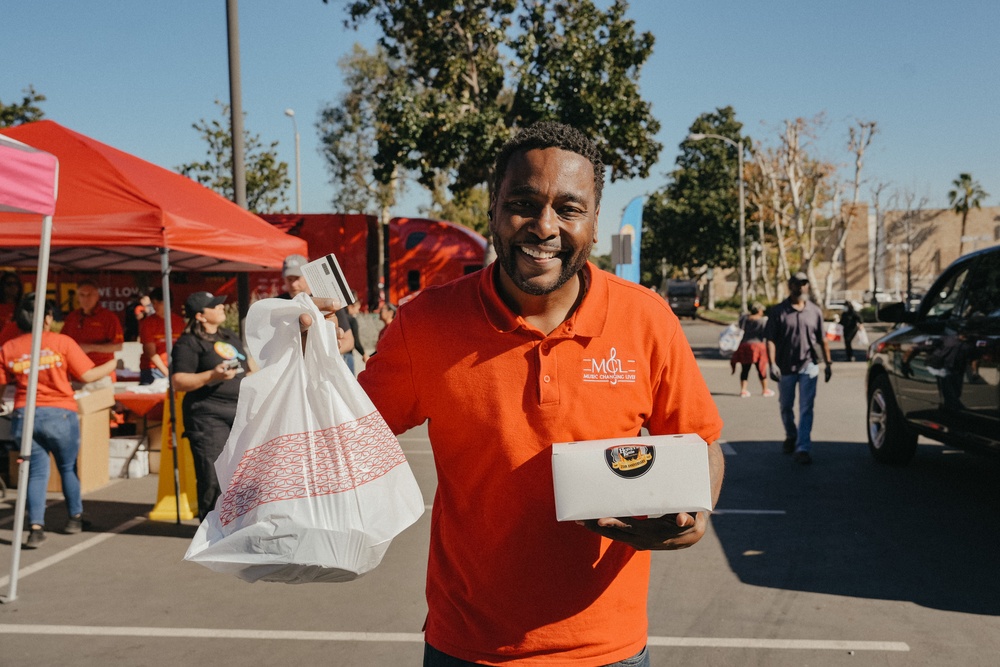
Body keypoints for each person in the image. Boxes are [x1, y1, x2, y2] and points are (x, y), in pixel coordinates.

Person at [350, 122, 725, 665]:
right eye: (523, 203)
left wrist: (695, 512)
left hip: (607, 650)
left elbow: (700, 443)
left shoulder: (647, 319)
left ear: (595, 224)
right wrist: (308, 365)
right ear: (495, 212)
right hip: (468, 647)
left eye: (569, 209)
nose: (544, 226)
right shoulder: (425, 325)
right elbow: (347, 438)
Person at [0, 294, 117, 547]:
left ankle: (35, 527)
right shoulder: (61, 342)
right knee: (67, 468)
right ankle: (74, 517)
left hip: (24, 415)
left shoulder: (9, 347)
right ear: (47, 318)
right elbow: (87, 375)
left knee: (36, 472)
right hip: (60, 413)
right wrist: (112, 364)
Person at [170, 291, 249, 521]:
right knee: (213, 476)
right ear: (201, 316)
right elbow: (179, 381)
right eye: (214, 306)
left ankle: (235, 525)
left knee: (240, 473)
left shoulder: (228, 335)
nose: (221, 308)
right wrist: (211, 375)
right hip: (207, 416)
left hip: (239, 412)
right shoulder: (189, 342)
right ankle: (210, 528)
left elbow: (246, 366)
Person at [765, 272, 832, 465]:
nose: (802, 288)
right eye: (798, 284)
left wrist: (828, 364)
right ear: (790, 286)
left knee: (806, 408)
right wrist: (772, 364)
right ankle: (791, 434)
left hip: (808, 366)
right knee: (786, 406)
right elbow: (770, 340)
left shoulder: (815, 311)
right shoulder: (779, 311)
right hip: (785, 367)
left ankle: (803, 447)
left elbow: (822, 339)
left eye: (805, 284)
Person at [279, 253, 355, 362]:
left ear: (307, 276)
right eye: (289, 279)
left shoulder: (327, 300)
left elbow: (349, 341)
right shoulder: (280, 302)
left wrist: (320, 355)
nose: (294, 284)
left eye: (297, 278)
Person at [62, 279, 124, 378]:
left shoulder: (108, 317)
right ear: (78, 297)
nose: (86, 299)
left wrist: (90, 347)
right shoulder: (72, 317)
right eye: (82, 295)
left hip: (102, 374)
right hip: (74, 374)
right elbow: (63, 342)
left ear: (97, 296)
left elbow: (118, 346)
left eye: (89, 295)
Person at [138, 287, 184, 385]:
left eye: (156, 303)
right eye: (152, 303)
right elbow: (151, 353)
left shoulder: (179, 322)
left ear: (165, 302)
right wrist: (167, 373)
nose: (154, 306)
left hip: (175, 368)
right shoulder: (148, 323)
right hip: (153, 370)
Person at [730, 302, 773, 397]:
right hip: (758, 346)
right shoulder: (763, 321)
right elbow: (766, 333)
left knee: (745, 368)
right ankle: (765, 389)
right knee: (761, 368)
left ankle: (743, 390)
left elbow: (741, 321)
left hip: (745, 345)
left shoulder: (744, 319)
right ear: (758, 311)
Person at [344, 293, 366, 372]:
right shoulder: (352, 320)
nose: (357, 312)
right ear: (351, 306)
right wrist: (364, 354)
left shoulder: (336, 317)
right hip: (347, 355)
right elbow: (356, 342)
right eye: (357, 309)